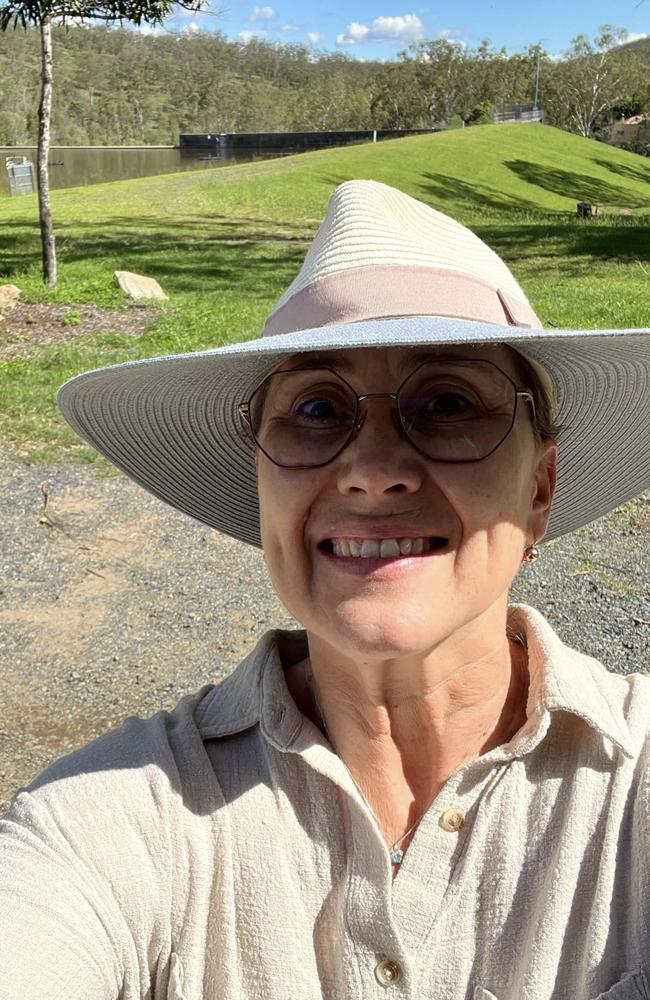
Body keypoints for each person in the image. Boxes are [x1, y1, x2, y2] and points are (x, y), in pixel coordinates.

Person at [0, 179, 648, 1000]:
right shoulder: (109, 819)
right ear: (263, 482)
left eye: (448, 402)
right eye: (315, 408)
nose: (374, 472)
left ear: (540, 490)